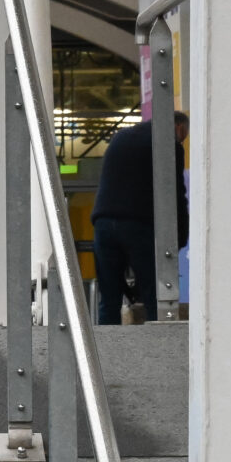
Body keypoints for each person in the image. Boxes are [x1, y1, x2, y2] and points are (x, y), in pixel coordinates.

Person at [91, 111, 188, 324]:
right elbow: (176, 195)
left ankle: (105, 353)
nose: (181, 140)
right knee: (154, 295)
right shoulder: (169, 145)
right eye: (183, 136)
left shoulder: (121, 136)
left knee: (109, 298)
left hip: (103, 223)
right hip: (138, 225)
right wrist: (180, 237)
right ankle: (159, 350)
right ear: (179, 127)